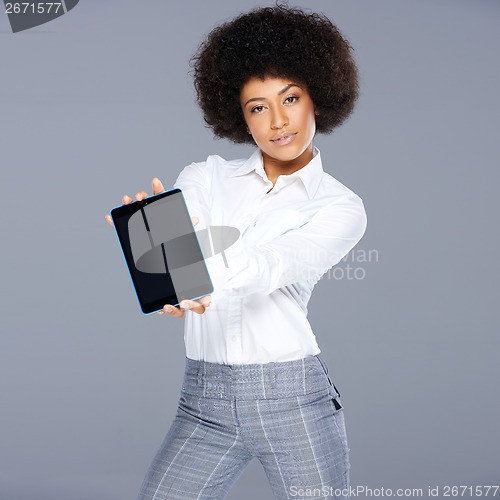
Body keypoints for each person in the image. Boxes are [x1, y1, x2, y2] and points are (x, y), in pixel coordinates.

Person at [106, 4, 367, 499]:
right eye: (258, 106)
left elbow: (271, 265)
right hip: (202, 398)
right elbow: (177, 275)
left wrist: (180, 257)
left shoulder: (341, 206)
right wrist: (154, 253)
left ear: (319, 97)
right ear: (239, 117)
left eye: (291, 97)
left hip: (291, 398)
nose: (279, 120)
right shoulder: (206, 175)